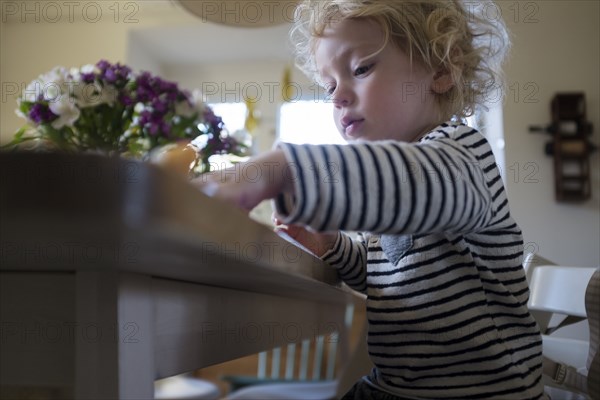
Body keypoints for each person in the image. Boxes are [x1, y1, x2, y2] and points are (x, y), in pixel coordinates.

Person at [197, 1, 545, 399]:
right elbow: (385, 276)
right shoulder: (391, 188)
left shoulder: (462, 155)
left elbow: (411, 183)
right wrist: (333, 246)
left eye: (361, 69)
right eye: (329, 86)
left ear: (443, 69)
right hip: (396, 387)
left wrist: (287, 168)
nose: (338, 97)